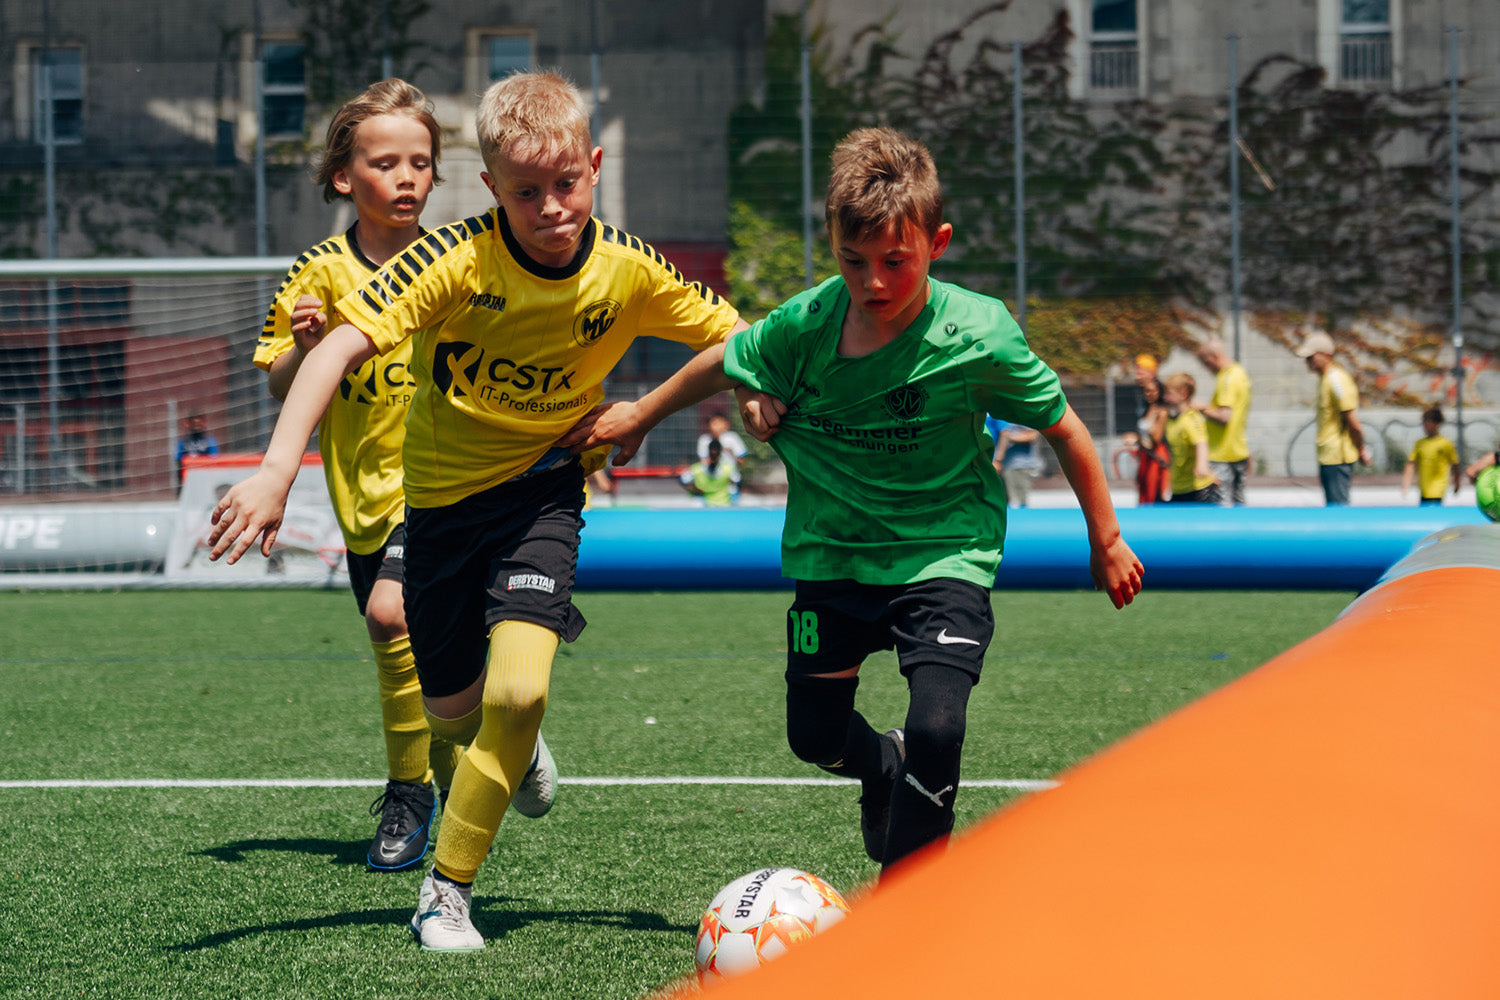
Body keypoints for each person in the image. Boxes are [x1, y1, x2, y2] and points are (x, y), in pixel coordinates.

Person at [207, 71, 746, 950]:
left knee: (521, 688)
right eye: (526, 192)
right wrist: (275, 473)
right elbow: (338, 343)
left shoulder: (629, 267)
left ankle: (445, 892)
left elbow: (740, 339)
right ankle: (508, 744)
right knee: (456, 716)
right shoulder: (450, 258)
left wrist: (656, 410)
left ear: (596, 167)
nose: (551, 207)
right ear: (491, 188)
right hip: (439, 514)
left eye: (566, 184)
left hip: (541, 495)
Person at [564, 126, 1142, 874]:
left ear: (936, 242)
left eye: (895, 262)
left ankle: (905, 918)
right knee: (814, 738)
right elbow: (723, 360)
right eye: (852, 261)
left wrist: (1107, 539)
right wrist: (641, 414)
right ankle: (879, 767)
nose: (872, 282)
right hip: (832, 556)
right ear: (832, 244)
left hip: (945, 555)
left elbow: (1066, 429)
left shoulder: (981, 336)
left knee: (938, 729)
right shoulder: (807, 324)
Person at [252, 79, 501, 875]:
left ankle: (410, 794)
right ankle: (488, 754)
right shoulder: (319, 272)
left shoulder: (461, 259)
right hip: (363, 507)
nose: (406, 177)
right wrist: (302, 346)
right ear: (342, 177)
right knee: (428, 658)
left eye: (420, 162)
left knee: (391, 618)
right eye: (385, 161)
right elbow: (278, 384)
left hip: (445, 488)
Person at [1297, 331, 1371, 506]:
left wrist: (1360, 448)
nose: (1307, 361)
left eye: (1311, 357)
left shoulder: (1336, 379)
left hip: (1337, 457)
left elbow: (1352, 421)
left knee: (1338, 509)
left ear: (1325, 355)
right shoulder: (1324, 379)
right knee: (1332, 507)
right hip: (1328, 456)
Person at [1192, 336, 1252, 506]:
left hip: (1222, 453)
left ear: (1214, 357)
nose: (1206, 368)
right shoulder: (1240, 373)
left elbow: (1225, 416)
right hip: (1237, 449)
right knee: (1238, 502)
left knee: (1221, 504)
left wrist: (1202, 408)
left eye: (1206, 362)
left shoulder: (1228, 378)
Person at [1162, 372, 1222, 504]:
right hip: (1179, 488)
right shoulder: (1172, 420)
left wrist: (1202, 465)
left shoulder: (1191, 418)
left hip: (1198, 489)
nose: (1165, 397)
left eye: (1168, 393)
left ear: (1183, 394)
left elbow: (1201, 442)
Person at [1401, 405, 1460, 506]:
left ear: (1437, 423)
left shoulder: (1446, 443)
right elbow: (1411, 464)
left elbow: (1455, 465)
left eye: (1427, 422)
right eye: (1423, 422)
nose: (1424, 425)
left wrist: (1457, 484)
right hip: (1423, 489)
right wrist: (1406, 485)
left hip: (1438, 490)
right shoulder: (1419, 444)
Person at [1131, 355, 1170, 505]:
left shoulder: (1161, 408)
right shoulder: (1145, 401)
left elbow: (1156, 436)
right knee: (1143, 492)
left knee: (1155, 493)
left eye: (1141, 372)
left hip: (1156, 454)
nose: (1137, 376)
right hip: (1145, 454)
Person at [989, 419, 1042, 508]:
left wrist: (1007, 437)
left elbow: (1033, 435)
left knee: (1018, 502)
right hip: (1006, 464)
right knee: (1008, 501)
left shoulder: (1022, 414)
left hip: (1020, 465)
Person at [680, 438, 740, 506]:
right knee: (696, 503)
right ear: (708, 452)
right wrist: (695, 490)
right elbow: (683, 480)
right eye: (712, 454)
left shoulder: (728, 468)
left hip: (724, 504)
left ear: (720, 454)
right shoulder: (697, 469)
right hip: (703, 504)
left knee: (733, 491)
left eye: (716, 454)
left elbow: (737, 482)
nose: (714, 457)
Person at [175, 414, 220, 486]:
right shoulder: (183, 442)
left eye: (198, 424)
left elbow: (214, 459)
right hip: (188, 478)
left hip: (205, 477)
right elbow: (178, 460)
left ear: (203, 424)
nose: (196, 427)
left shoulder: (209, 441)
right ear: (188, 424)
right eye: (194, 424)